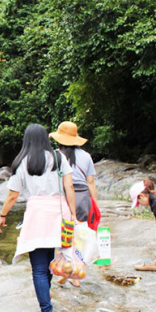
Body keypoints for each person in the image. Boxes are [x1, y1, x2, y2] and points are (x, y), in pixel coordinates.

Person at [0, 124, 77, 312]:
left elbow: (13, 194)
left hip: (37, 215)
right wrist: (73, 214)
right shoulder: (59, 158)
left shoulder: (22, 161)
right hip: (59, 213)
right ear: (46, 139)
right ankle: (46, 300)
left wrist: (2, 215)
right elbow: (69, 187)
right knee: (50, 259)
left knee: (39, 267)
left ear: (27, 140)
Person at [50, 121, 99, 288]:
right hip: (83, 199)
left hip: (63, 196)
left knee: (62, 237)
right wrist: (94, 204)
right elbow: (90, 182)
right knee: (80, 237)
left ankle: (63, 270)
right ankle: (76, 274)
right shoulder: (86, 156)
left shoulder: (54, 155)